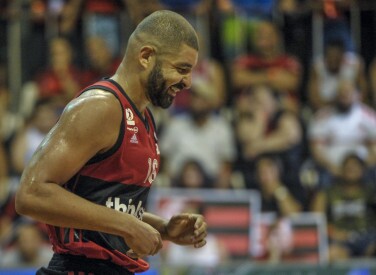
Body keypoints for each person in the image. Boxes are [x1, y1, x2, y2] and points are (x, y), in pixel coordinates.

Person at [15, 10, 207, 275]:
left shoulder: (144, 117)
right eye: (182, 69)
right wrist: (128, 226)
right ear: (146, 56)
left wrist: (162, 228)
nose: (188, 82)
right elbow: (30, 194)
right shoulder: (101, 107)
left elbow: (100, 202)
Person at [311, 154, 376, 261]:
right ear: (341, 170)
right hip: (339, 239)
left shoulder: (370, 192)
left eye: (355, 167)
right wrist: (332, 232)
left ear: (363, 170)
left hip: (368, 238)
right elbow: (316, 220)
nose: (351, 169)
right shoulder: (329, 193)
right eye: (348, 167)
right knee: (330, 255)